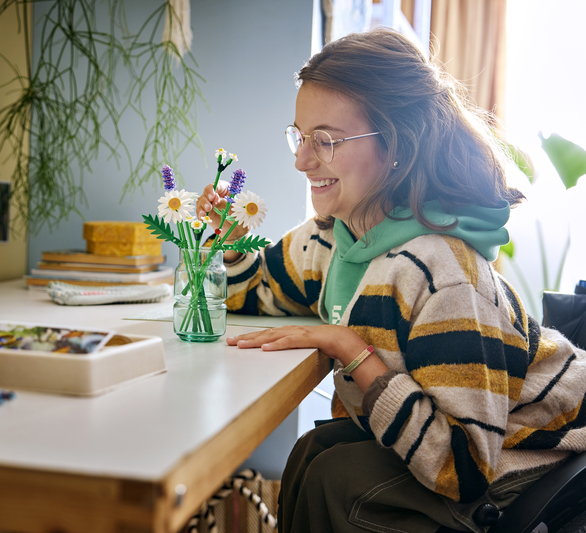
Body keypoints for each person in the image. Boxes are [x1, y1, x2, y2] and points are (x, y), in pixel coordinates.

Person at [196, 29, 586, 533]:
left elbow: (463, 466)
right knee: (313, 452)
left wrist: (352, 350)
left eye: (326, 140)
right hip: (465, 447)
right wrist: (229, 240)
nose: (302, 160)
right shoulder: (335, 237)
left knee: (337, 478)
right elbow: (258, 289)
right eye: (299, 135)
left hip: (529, 461)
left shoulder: (445, 274)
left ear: (396, 143)